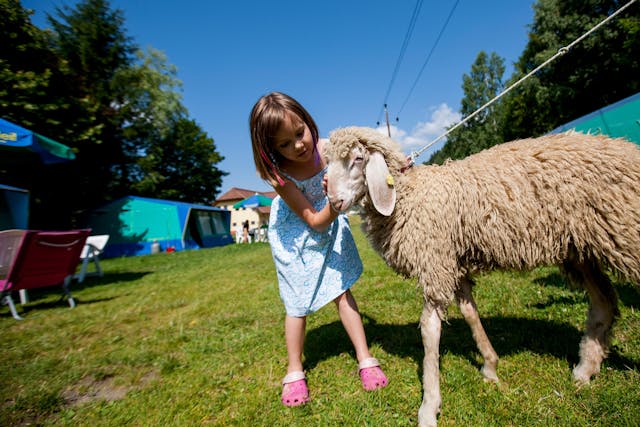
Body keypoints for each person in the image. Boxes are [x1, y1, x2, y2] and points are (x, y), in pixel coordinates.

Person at [249, 92, 388, 407]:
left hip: (329, 219)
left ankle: (364, 356)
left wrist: (394, 164)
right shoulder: (278, 175)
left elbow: (366, 158)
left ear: (307, 121)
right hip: (298, 232)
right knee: (297, 302)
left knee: (342, 290)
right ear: (270, 149)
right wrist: (334, 202)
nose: (298, 145)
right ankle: (295, 368)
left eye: (300, 133)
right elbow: (314, 219)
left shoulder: (329, 149)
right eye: (284, 144)